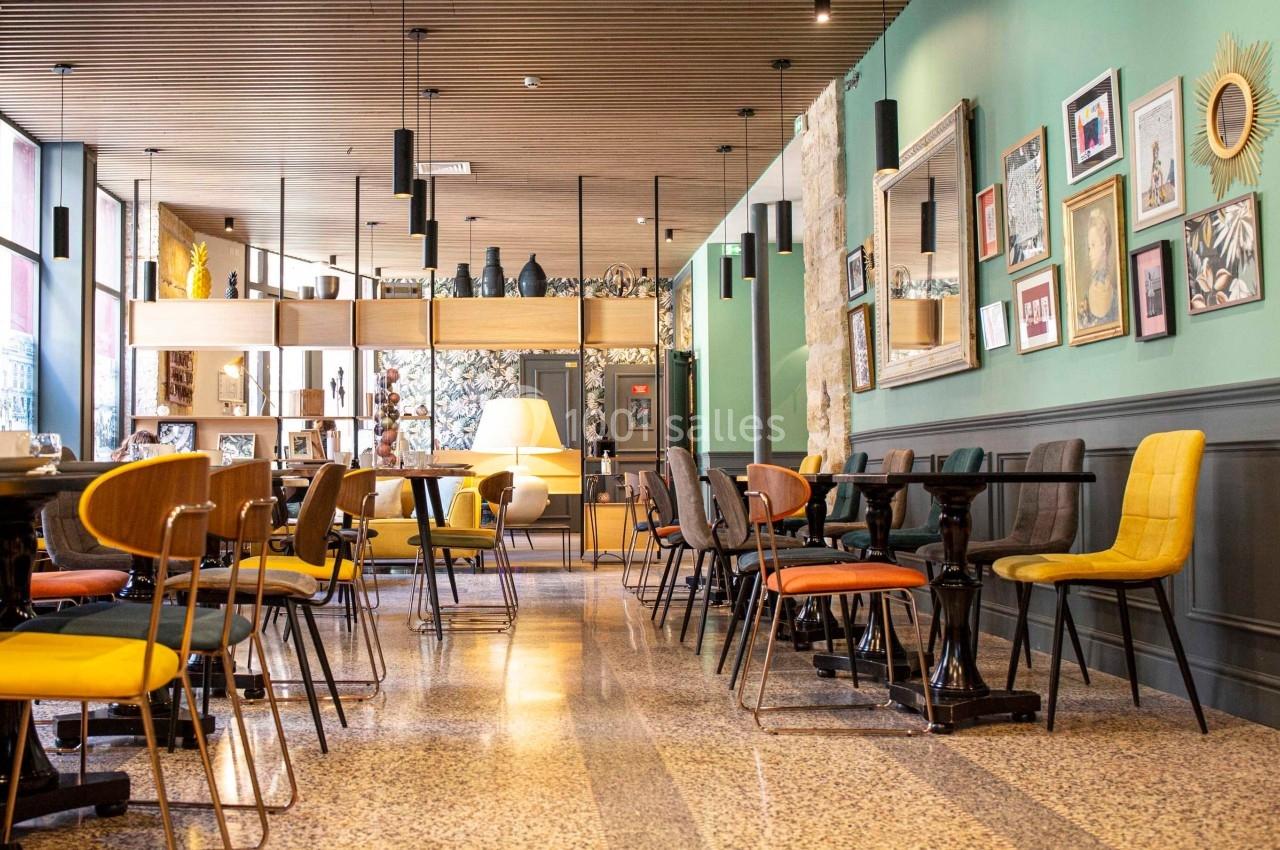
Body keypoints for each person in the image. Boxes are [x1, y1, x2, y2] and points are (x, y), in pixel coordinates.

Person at [1079, 207, 1118, 329]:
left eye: (1093, 245)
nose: (1090, 253)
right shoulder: (1085, 298)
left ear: (1104, 244)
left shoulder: (1116, 296)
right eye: (1089, 248)